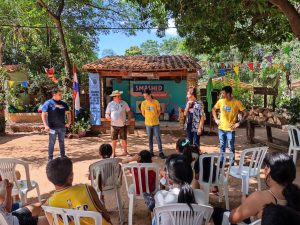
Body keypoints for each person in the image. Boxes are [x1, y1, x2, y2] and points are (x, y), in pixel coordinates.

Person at [212, 152, 300, 225]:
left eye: (266, 166)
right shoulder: (296, 193)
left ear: (268, 171)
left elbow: (232, 219)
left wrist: (245, 204)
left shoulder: (260, 197)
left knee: (217, 211)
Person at [46, 157, 112, 225]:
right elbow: (106, 216)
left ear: (49, 179)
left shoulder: (49, 205)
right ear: (71, 177)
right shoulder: (87, 189)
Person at [153, 154, 205, 224]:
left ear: (169, 177)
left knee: (154, 219)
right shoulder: (201, 196)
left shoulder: (161, 196)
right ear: (191, 174)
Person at [212, 86, 247, 163]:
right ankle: (221, 162)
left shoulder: (237, 102)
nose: (221, 94)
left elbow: (246, 113)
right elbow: (213, 109)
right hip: (221, 128)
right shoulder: (220, 101)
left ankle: (231, 164)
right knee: (222, 146)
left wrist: (239, 123)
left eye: (223, 93)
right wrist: (216, 119)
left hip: (230, 130)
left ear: (228, 93)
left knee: (231, 147)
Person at [41, 87, 71, 161]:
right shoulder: (48, 103)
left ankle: (63, 157)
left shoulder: (63, 103)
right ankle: (50, 158)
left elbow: (68, 113)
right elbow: (43, 114)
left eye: (61, 94)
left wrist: (69, 122)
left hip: (62, 127)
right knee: (52, 143)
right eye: (59, 94)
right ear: (54, 94)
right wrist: (45, 125)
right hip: (52, 128)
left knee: (62, 142)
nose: (61, 96)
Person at [105, 90, 131, 157]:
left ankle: (125, 152)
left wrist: (129, 120)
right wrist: (109, 118)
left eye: (120, 96)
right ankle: (113, 153)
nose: (120, 97)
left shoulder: (124, 103)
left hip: (123, 125)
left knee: (124, 139)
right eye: (118, 96)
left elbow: (129, 112)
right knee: (114, 140)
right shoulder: (110, 104)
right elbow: (106, 114)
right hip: (114, 125)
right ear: (114, 97)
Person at [141, 90, 166, 159]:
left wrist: (155, 117)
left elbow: (159, 111)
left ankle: (160, 152)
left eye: (146, 96)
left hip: (156, 124)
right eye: (144, 96)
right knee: (150, 138)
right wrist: (147, 118)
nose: (145, 97)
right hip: (148, 124)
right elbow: (143, 113)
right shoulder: (143, 103)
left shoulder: (156, 102)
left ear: (150, 94)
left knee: (158, 137)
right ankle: (151, 152)